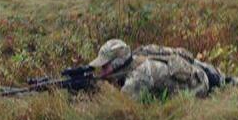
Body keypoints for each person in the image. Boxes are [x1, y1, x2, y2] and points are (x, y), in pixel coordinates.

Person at [88, 39, 227, 100]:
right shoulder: (138, 56)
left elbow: (122, 106)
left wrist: (101, 88)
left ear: (118, 63)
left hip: (198, 86)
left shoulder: (139, 76)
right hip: (196, 70)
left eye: (105, 66)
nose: (102, 70)